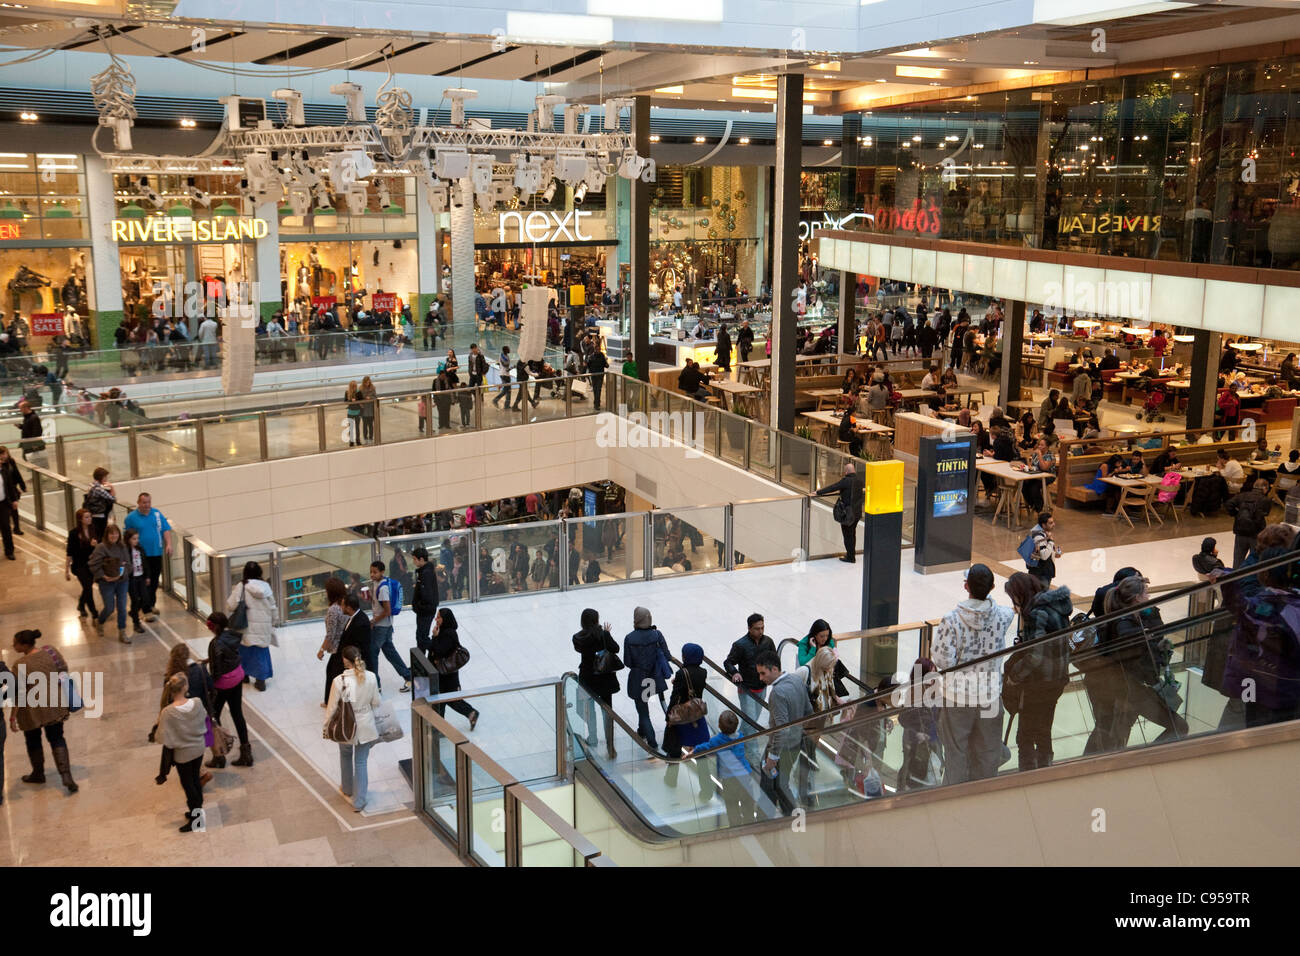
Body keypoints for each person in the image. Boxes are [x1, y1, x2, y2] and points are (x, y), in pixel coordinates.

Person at [930, 563, 1015, 785]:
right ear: (993, 587)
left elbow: (942, 660)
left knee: (956, 753)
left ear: (966, 586)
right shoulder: (1005, 616)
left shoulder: (951, 620)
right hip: (990, 696)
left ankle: (954, 799)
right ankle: (984, 798)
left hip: (958, 697)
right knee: (988, 753)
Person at [1214, 546, 1300, 727]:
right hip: (1289, 688)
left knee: (1255, 728)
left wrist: (1227, 578)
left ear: (1264, 575)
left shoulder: (1262, 607)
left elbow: (1239, 606)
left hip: (1257, 684)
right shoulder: (1294, 606)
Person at [1100, 574, 1189, 746]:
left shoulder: (1137, 619)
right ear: (1137, 599)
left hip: (1132, 689)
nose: (1149, 597)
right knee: (1179, 727)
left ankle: (1125, 763)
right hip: (1135, 691)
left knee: (1120, 734)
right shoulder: (1125, 627)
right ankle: (1145, 759)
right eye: (1146, 594)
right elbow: (1139, 661)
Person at [1002, 573, 1072, 771]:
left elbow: (1035, 656)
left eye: (1013, 598)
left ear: (1020, 594)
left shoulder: (1036, 614)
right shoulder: (1057, 607)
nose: (1014, 603)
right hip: (1058, 678)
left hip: (1038, 682)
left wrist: (1014, 676)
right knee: (1044, 730)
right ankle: (1045, 770)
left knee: (1024, 735)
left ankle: (1029, 775)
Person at [8, 629, 77, 793]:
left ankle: (38, 774)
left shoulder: (20, 665)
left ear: (24, 645)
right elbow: (64, 670)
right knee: (57, 738)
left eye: (15, 643)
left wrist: (12, 717)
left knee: (33, 740)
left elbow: (18, 692)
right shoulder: (50, 651)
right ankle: (66, 776)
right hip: (54, 705)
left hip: (31, 711)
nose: (13, 646)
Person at [324, 645, 384, 812]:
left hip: (345, 725)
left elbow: (332, 707)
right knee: (361, 762)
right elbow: (377, 702)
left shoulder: (338, 681)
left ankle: (347, 788)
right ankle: (359, 801)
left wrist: (326, 727)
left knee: (345, 755)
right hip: (365, 725)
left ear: (345, 661)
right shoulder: (371, 677)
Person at [756, 649, 811, 815]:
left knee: (769, 784)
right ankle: (791, 818)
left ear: (774, 669)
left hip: (781, 747)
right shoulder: (796, 680)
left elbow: (782, 728)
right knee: (782, 783)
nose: (761, 678)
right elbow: (808, 710)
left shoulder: (777, 693)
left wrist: (773, 757)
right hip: (796, 743)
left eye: (763, 673)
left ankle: (768, 819)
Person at [157, 671, 208, 831]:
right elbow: (204, 719)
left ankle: (197, 818)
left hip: (183, 755)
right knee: (195, 780)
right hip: (199, 748)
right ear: (185, 687)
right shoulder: (198, 702)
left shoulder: (168, 712)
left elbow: (162, 738)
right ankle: (196, 811)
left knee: (189, 785)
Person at [723, 613, 775, 768]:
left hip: (762, 687)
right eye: (757, 628)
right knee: (751, 723)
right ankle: (753, 757)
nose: (760, 631)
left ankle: (734, 742)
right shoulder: (740, 645)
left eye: (762, 627)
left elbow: (774, 658)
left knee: (750, 722)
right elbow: (728, 662)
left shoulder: (768, 641)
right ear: (749, 628)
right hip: (747, 690)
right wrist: (735, 672)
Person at [687, 710, 756, 825]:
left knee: (732, 805)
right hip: (745, 775)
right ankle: (750, 823)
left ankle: (735, 825)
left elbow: (705, 747)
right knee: (747, 802)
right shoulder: (741, 736)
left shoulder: (717, 741)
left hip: (729, 779)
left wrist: (694, 750)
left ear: (719, 726)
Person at [663, 643, 711, 792]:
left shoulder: (681, 673)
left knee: (675, 750)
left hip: (682, 717)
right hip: (696, 716)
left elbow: (675, 697)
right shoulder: (703, 672)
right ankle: (706, 789)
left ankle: (671, 780)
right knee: (701, 753)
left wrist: (669, 717)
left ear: (686, 656)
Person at [573, 608, 620, 759]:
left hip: (587, 677)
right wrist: (606, 634)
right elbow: (615, 649)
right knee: (607, 711)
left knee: (589, 709)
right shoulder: (603, 635)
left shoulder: (578, 638)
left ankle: (592, 737)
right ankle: (610, 746)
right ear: (597, 620)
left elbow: (579, 649)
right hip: (604, 677)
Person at [623, 606, 670, 752]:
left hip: (639, 679)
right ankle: (642, 730)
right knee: (654, 702)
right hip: (654, 678)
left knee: (643, 710)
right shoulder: (657, 634)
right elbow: (667, 655)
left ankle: (652, 741)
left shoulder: (630, 638)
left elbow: (628, 662)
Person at [227, 560, 276, 692]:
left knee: (244, 650)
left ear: (245, 573)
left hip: (246, 625)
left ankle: (245, 676)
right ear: (260, 572)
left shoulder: (241, 586)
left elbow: (231, 606)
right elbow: (273, 607)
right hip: (263, 625)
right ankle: (261, 681)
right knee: (261, 651)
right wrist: (273, 621)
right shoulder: (266, 587)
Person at [122, 492, 171, 621]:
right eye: (144, 502)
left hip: (156, 553)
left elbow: (165, 529)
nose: (147, 505)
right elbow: (126, 536)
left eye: (148, 502)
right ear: (138, 503)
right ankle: (146, 609)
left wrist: (168, 544)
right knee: (145, 582)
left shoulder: (156, 514)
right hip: (141, 555)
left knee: (154, 581)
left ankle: (149, 604)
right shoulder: (131, 518)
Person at [428, 607, 479, 728]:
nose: (436, 619)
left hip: (447, 675)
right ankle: (439, 726)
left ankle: (471, 713)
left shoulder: (448, 634)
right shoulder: (443, 630)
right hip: (442, 674)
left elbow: (439, 651)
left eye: (439, 617)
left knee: (451, 700)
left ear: (445, 619)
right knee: (441, 701)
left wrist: (434, 637)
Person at [365, 560, 411, 693]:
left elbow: (387, 611)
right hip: (387, 626)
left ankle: (376, 686)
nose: (372, 575)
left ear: (382, 572)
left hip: (381, 627)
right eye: (371, 572)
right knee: (390, 652)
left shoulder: (383, 588)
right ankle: (408, 676)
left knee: (372, 653)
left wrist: (373, 621)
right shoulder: (377, 583)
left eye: (375, 572)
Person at [815, 461, 865, 563]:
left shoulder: (846, 481)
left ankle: (850, 557)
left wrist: (818, 492)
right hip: (857, 513)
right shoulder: (860, 481)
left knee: (847, 535)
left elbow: (832, 487)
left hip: (848, 513)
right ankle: (851, 554)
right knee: (852, 534)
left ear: (846, 471)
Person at [89, 523, 131, 643]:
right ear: (107, 535)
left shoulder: (122, 547)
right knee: (109, 608)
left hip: (122, 581)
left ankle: (122, 631)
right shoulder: (101, 548)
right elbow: (93, 564)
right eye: (111, 533)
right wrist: (104, 576)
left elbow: (129, 564)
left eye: (116, 533)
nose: (114, 536)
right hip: (106, 583)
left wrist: (122, 573)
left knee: (122, 607)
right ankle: (100, 622)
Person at [315, 577, 349, 706]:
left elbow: (330, 634)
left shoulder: (333, 610)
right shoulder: (345, 604)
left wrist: (322, 650)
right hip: (346, 644)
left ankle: (331, 701)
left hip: (337, 647)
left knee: (332, 674)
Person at [1225, 477, 1273, 567]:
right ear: (1265, 488)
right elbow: (1265, 514)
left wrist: (1236, 514)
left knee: (1238, 559)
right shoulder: (1265, 500)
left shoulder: (1242, 495)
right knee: (1255, 560)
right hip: (1256, 533)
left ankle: (1235, 578)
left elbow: (1229, 504)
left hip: (1240, 530)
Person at [65, 508, 98, 619]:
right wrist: (66, 571)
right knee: (88, 588)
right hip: (79, 565)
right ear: (80, 519)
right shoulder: (74, 533)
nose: (90, 519)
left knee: (87, 587)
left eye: (90, 516)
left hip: (91, 564)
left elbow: (98, 548)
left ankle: (81, 604)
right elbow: (70, 552)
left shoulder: (94, 529)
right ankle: (94, 612)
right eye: (87, 517)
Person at [410, 546, 440, 655]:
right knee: (420, 636)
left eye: (415, 559)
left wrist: (419, 606)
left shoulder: (425, 573)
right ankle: (421, 663)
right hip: (425, 609)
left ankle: (439, 651)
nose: (413, 562)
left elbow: (427, 594)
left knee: (422, 637)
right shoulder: (424, 571)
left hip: (426, 610)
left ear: (421, 559)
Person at [122, 528, 150, 638]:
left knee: (145, 598)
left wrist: (147, 576)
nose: (136, 541)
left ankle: (134, 612)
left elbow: (145, 563)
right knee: (135, 599)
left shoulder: (140, 549)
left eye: (137, 538)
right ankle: (136, 622)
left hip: (141, 577)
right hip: (131, 579)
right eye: (134, 539)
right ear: (128, 539)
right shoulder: (125, 551)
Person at [1024, 511, 1062, 584]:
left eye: (1053, 522)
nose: (1054, 524)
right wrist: (1051, 540)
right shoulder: (1039, 537)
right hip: (1040, 575)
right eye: (1050, 523)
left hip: (1043, 572)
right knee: (1041, 594)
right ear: (1043, 525)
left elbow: (1045, 550)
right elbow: (1044, 556)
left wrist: (1054, 553)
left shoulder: (1044, 533)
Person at [84, 467, 115, 542]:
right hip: (100, 515)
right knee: (101, 535)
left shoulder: (91, 485)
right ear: (102, 477)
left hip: (92, 514)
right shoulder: (99, 489)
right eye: (105, 477)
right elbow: (112, 498)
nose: (106, 479)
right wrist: (112, 487)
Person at [585, 345, 608, 411]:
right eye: (597, 349)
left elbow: (605, 364)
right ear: (594, 349)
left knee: (598, 389)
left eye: (599, 349)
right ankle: (596, 402)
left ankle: (596, 403)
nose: (598, 351)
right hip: (594, 376)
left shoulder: (602, 355)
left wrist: (606, 364)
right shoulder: (591, 357)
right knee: (595, 389)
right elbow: (588, 365)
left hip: (600, 376)